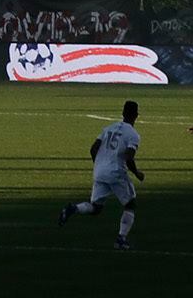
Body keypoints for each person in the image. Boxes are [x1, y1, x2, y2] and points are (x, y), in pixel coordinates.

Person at [59, 100, 145, 250]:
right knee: (130, 204)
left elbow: (93, 149)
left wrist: (99, 165)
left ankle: (73, 209)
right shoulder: (133, 135)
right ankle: (121, 239)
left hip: (99, 171)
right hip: (116, 172)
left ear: (123, 113)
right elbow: (129, 157)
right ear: (136, 115)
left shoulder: (108, 128)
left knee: (96, 207)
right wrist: (137, 173)